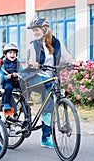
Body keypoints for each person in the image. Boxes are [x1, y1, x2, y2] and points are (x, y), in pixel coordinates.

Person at [26, 17, 77, 148]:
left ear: (45, 29)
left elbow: (67, 55)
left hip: (52, 77)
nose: (35, 33)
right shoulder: (34, 44)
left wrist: (74, 62)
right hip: (36, 76)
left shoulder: (57, 43)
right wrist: (33, 63)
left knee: (52, 101)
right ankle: (46, 136)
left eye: (36, 30)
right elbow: (30, 60)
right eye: (33, 31)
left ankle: (46, 135)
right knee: (49, 103)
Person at [0, 43, 23, 113]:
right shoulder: (4, 64)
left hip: (16, 81)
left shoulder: (17, 63)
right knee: (8, 88)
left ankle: (24, 102)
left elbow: (22, 71)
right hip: (7, 81)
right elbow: (1, 74)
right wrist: (7, 77)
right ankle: (5, 103)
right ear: (5, 55)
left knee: (24, 87)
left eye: (14, 53)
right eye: (10, 53)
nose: (12, 54)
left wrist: (18, 74)